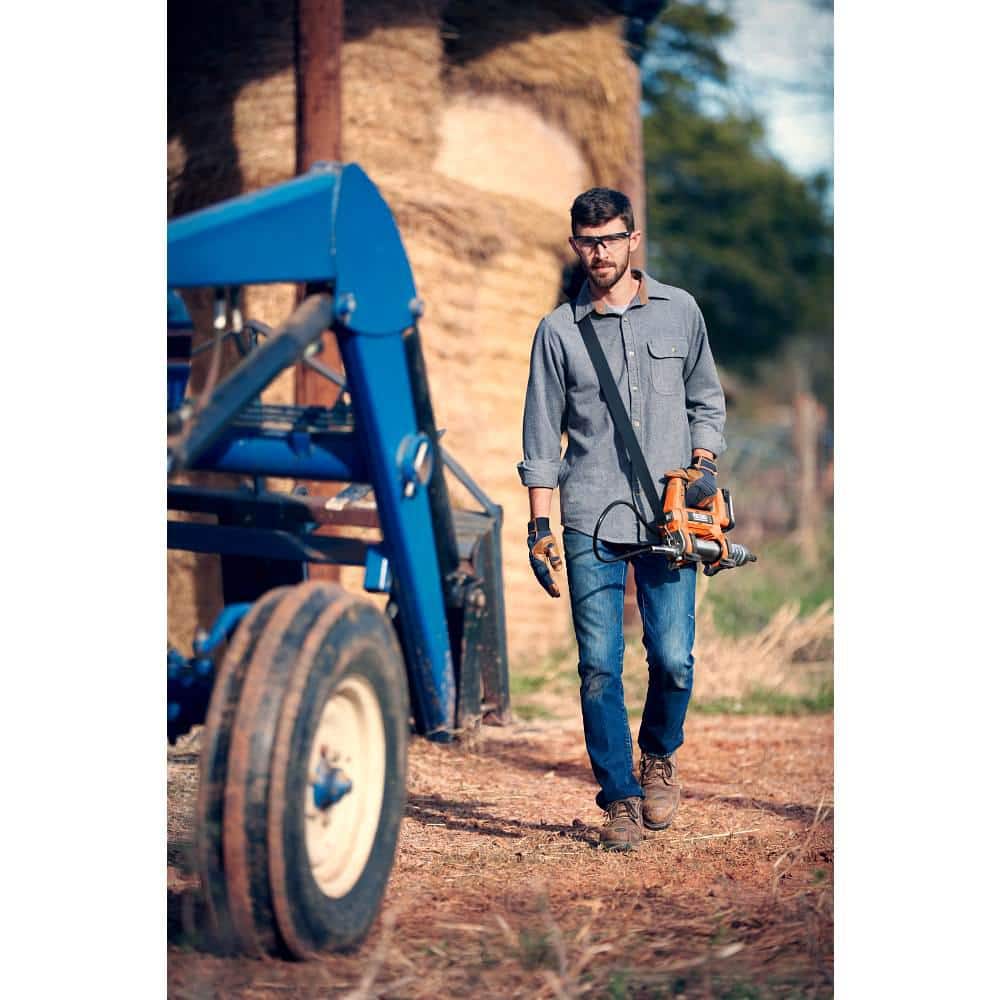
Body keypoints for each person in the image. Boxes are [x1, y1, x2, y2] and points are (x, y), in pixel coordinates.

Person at [517, 187, 726, 851]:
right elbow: (540, 438)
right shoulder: (557, 332)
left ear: (632, 239)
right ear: (575, 245)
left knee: (673, 659)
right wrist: (539, 527)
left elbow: (707, 401)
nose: (599, 252)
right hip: (589, 514)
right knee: (599, 668)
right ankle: (620, 799)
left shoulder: (680, 312)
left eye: (610, 239)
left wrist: (702, 464)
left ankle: (658, 755)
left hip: (670, 518)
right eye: (588, 241)